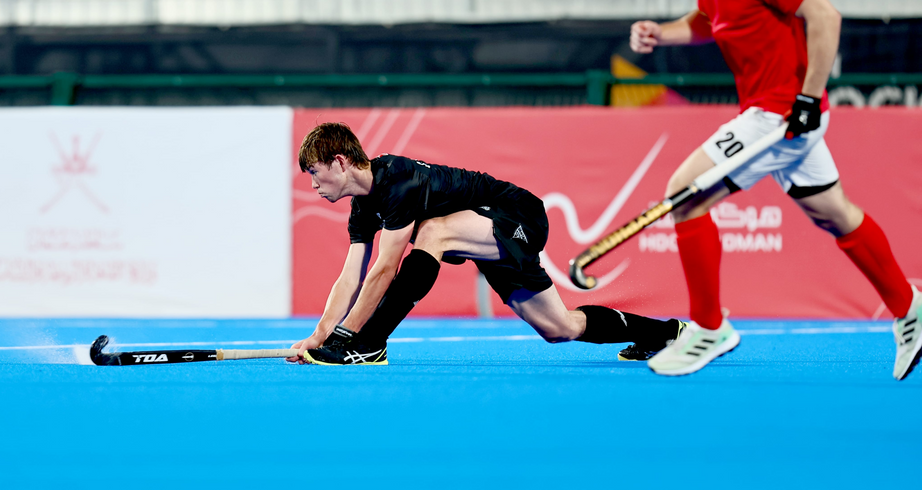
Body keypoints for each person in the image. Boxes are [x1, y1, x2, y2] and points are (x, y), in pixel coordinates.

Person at [629, 0, 921, 379]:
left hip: (780, 115)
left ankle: (709, 329)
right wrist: (662, 33)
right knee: (835, 213)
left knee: (684, 195)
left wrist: (808, 99)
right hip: (776, 112)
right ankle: (911, 309)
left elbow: (824, 15)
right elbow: (712, 19)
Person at [289, 122, 685, 365]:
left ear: (340, 162)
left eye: (315, 173)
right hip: (482, 233)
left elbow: (384, 269)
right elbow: (350, 277)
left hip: (517, 215)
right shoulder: (361, 207)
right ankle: (664, 333)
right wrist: (321, 335)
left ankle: (372, 345)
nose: (314, 186)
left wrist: (349, 337)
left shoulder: (398, 179)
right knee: (559, 327)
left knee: (433, 232)